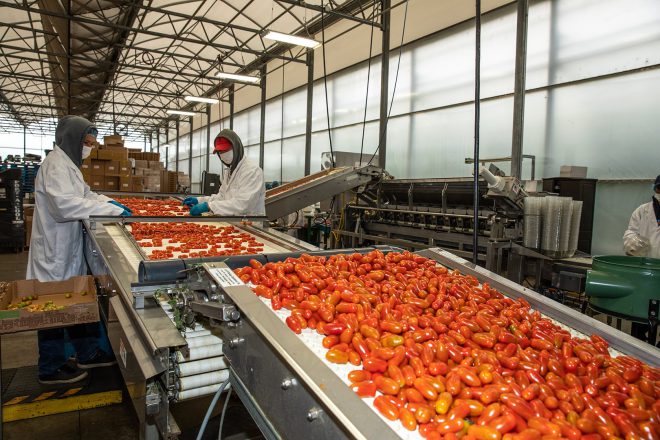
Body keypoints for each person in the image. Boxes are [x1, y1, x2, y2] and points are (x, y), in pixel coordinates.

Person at [27, 115, 132, 384]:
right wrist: (111, 209)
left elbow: (86, 196)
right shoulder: (55, 166)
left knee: (74, 302)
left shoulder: (70, 166)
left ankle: (86, 353)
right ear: (73, 139)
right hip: (54, 252)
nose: (89, 148)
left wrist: (114, 202)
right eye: (86, 142)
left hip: (67, 249)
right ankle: (51, 367)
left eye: (92, 143)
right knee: (52, 308)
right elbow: (65, 206)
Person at [183, 129, 265, 216]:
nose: (223, 154)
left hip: (250, 224)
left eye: (226, 150)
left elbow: (243, 204)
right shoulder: (229, 171)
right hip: (232, 222)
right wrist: (199, 200)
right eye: (220, 152)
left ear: (236, 148)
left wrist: (209, 206)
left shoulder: (251, 171)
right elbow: (222, 197)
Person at [623, 174, 660, 259]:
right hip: (644, 262)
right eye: (659, 188)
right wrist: (632, 243)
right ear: (654, 189)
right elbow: (631, 231)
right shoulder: (642, 210)